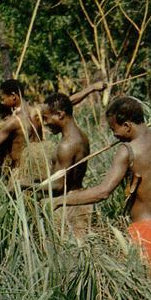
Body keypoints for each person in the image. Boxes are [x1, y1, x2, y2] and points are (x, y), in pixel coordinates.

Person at [50, 95, 151, 292]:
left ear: (126, 125)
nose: (113, 135)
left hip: (146, 231)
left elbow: (103, 192)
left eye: (113, 129)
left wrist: (61, 200)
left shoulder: (127, 151)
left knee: (142, 292)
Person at [40, 92, 92, 238]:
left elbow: (58, 185)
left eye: (46, 118)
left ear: (60, 115)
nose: (45, 123)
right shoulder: (81, 136)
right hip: (79, 200)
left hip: (67, 205)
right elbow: (62, 174)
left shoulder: (67, 145)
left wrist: (27, 188)